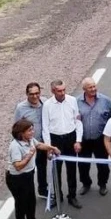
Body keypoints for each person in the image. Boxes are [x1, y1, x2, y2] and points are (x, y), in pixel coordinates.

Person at [6, 119, 60, 219]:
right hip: (17, 179)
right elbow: (18, 166)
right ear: (21, 133)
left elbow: (39, 145)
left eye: (32, 129)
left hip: (28, 175)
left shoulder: (29, 140)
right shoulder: (15, 146)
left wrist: (52, 147)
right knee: (21, 205)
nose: (32, 132)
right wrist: (29, 155)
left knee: (31, 201)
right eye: (29, 130)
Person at [42, 79, 84, 209]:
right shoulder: (47, 105)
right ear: (53, 91)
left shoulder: (72, 100)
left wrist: (78, 140)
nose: (62, 93)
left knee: (72, 169)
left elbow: (77, 121)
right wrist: (49, 147)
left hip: (70, 138)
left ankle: (72, 196)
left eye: (64, 90)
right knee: (56, 170)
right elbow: (45, 127)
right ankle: (57, 196)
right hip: (55, 140)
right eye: (59, 91)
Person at [77, 77, 111, 197]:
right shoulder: (76, 102)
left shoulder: (106, 101)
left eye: (94, 86)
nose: (93, 89)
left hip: (100, 139)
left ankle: (102, 184)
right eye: (90, 87)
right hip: (84, 139)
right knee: (83, 165)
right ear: (84, 89)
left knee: (103, 164)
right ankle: (86, 184)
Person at [14, 82, 47, 198]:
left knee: (42, 167)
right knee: (29, 170)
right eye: (31, 94)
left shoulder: (45, 102)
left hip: (42, 142)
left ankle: (43, 190)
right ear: (27, 94)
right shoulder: (20, 108)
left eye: (37, 93)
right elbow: (16, 127)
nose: (35, 96)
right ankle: (28, 194)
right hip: (29, 145)